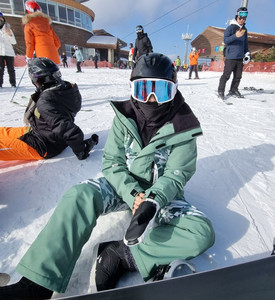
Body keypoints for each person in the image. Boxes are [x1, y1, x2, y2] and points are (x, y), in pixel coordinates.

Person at [0, 53, 215, 299]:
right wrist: (132, 193)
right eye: (144, 89)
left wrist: (152, 200)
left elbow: (178, 175)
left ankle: (122, 255)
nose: (152, 99)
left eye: (161, 91)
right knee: (79, 195)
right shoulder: (125, 118)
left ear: (174, 90)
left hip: (160, 196)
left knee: (201, 232)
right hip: (122, 185)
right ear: (133, 89)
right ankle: (38, 281)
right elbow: (112, 163)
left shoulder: (183, 127)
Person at [0, 57, 98, 161]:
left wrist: (81, 149)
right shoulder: (68, 89)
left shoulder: (45, 102)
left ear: (37, 80)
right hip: (40, 132)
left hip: (42, 145)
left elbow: (66, 128)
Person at [217, 7, 250, 100]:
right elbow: (226, 40)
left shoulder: (244, 29)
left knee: (238, 76)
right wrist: (235, 36)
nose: (242, 20)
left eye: (244, 19)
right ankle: (220, 91)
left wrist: (247, 53)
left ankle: (233, 90)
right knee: (226, 75)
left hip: (240, 57)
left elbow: (245, 43)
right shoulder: (231, 28)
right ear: (237, 17)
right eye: (240, 18)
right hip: (231, 56)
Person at [0, 11, 16, 88]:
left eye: (1, 18)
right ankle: (0, 84)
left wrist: (9, 34)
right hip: (0, 53)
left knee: (11, 69)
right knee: (0, 69)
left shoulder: (8, 29)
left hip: (9, 52)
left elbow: (14, 42)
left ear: (3, 19)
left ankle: (13, 83)